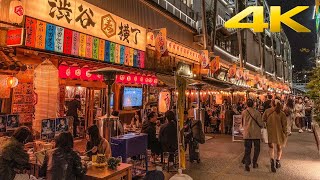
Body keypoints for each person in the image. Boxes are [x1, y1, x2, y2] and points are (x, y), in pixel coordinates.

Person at [263, 99, 287, 173]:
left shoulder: (267, 111)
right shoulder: (282, 113)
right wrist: (285, 134)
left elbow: (263, 120)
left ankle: (272, 162)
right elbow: (284, 126)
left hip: (270, 132)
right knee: (279, 147)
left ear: (271, 104)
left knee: (271, 147)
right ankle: (277, 162)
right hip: (279, 133)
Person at [241, 99, 263, 172]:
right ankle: (254, 162)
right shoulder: (257, 113)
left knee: (247, 149)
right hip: (256, 133)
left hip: (247, 133)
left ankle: (247, 164)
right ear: (253, 104)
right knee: (257, 149)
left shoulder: (243, 112)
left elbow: (242, 122)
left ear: (246, 104)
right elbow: (260, 123)